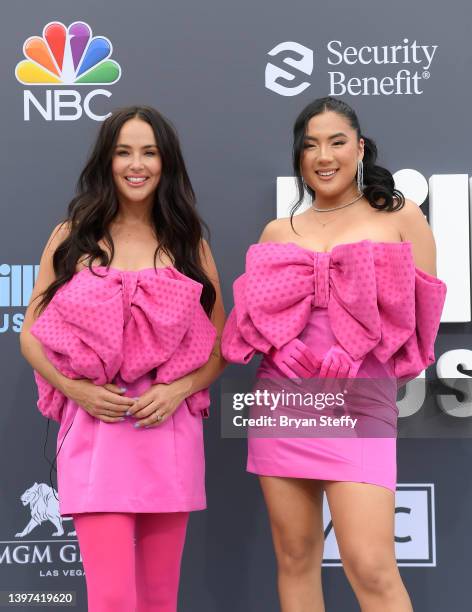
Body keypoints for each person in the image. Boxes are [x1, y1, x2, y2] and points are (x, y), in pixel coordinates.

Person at [221, 96, 446, 611]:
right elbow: (252, 320)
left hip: (360, 398)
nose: (324, 155)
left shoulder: (401, 216)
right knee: (296, 557)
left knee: (370, 565)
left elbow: (421, 317)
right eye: (310, 145)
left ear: (360, 148)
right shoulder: (280, 232)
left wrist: (361, 350)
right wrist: (281, 342)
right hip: (282, 402)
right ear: (299, 158)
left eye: (337, 142)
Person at [20, 106, 226, 612]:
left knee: (159, 598)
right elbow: (30, 335)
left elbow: (222, 342)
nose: (137, 164)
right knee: (111, 599)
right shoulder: (72, 237)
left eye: (150, 152)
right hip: (95, 432)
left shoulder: (187, 243)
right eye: (124, 152)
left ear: (166, 163)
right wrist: (76, 390)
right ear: (106, 161)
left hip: (168, 432)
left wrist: (177, 390)